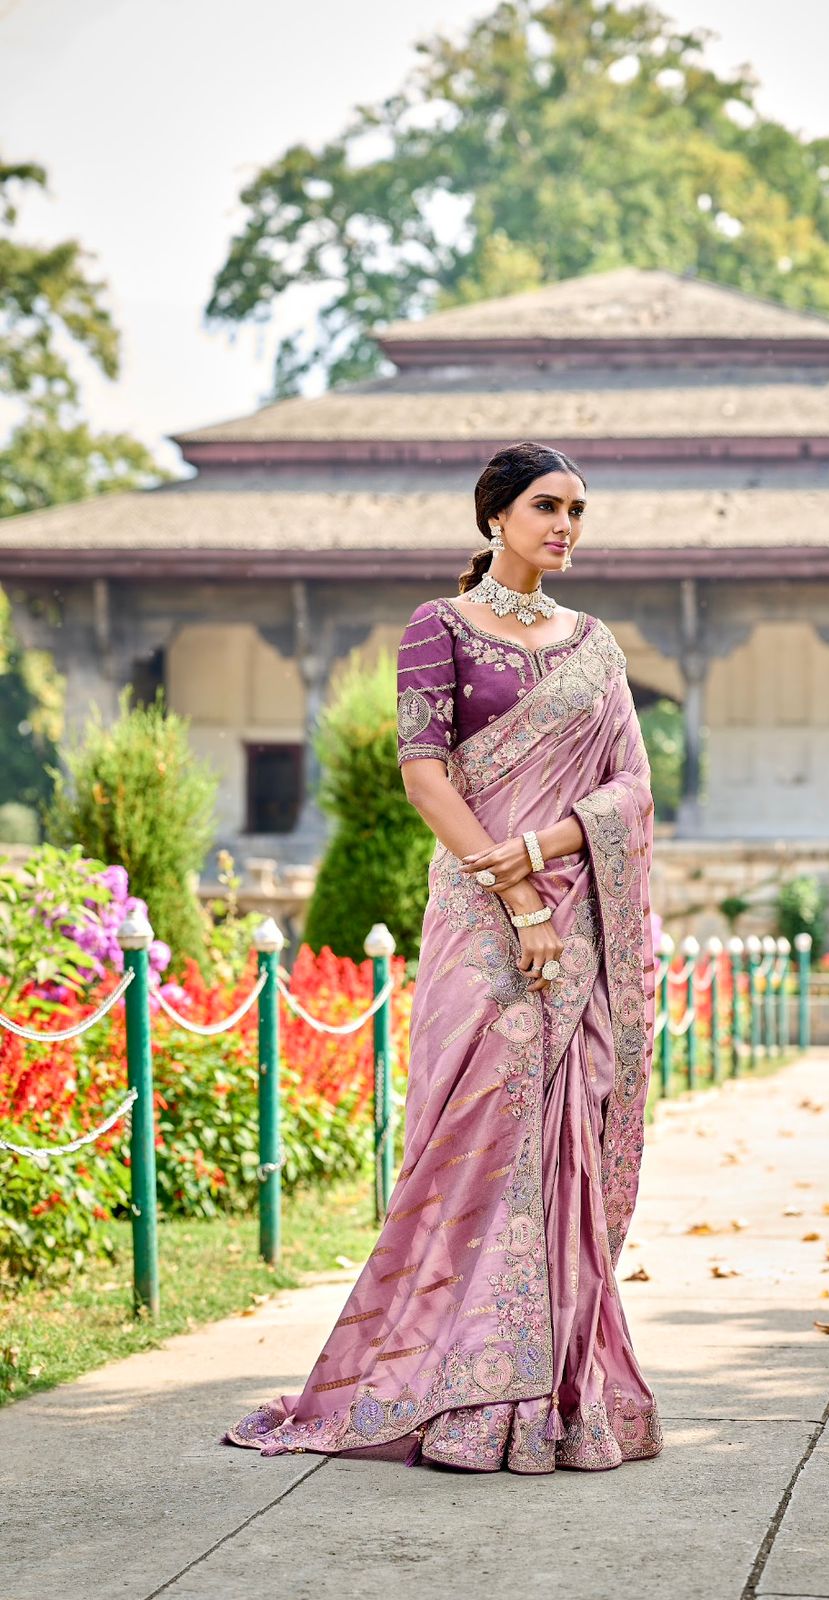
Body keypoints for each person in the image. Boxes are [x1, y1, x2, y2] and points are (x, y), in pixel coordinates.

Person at [223, 440, 663, 1474]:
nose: (566, 526)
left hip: (578, 922)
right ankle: (459, 1384)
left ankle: (554, 1393)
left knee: (562, 1138)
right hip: (480, 923)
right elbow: (425, 777)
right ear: (496, 516)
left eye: (579, 511)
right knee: (473, 1139)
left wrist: (546, 852)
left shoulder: (594, 645)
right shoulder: (438, 628)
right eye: (548, 506)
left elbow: (632, 790)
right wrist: (516, 895)